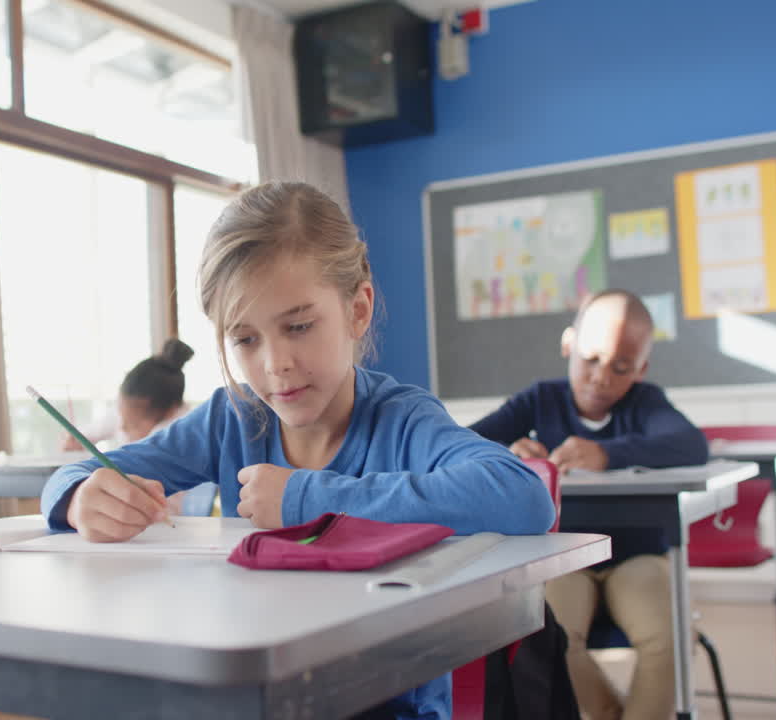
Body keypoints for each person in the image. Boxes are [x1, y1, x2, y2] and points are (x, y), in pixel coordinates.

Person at [42, 181, 555, 720]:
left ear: (357, 311)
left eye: (300, 326)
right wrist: (79, 497)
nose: (275, 363)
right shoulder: (231, 418)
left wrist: (306, 499)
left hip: (387, 702)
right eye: (245, 339)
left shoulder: (402, 420)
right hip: (253, 694)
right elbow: (80, 473)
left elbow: (522, 497)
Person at [469, 290, 708, 720]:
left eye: (621, 368)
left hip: (636, 557)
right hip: (564, 556)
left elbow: (691, 444)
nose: (601, 378)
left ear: (641, 370)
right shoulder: (540, 400)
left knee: (669, 638)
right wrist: (509, 452)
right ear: (568, 344)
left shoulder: (646, 403)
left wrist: (607, 454)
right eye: (591, 359)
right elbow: (465, 443)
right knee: (545, 632)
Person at [60, 338, 195, 451]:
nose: (122, 428)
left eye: (134, 425)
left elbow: (145, 457)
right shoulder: (126, 414)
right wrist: (77, 441)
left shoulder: (178, 432)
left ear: (170, 413)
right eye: (121, 414)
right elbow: (87, 435)